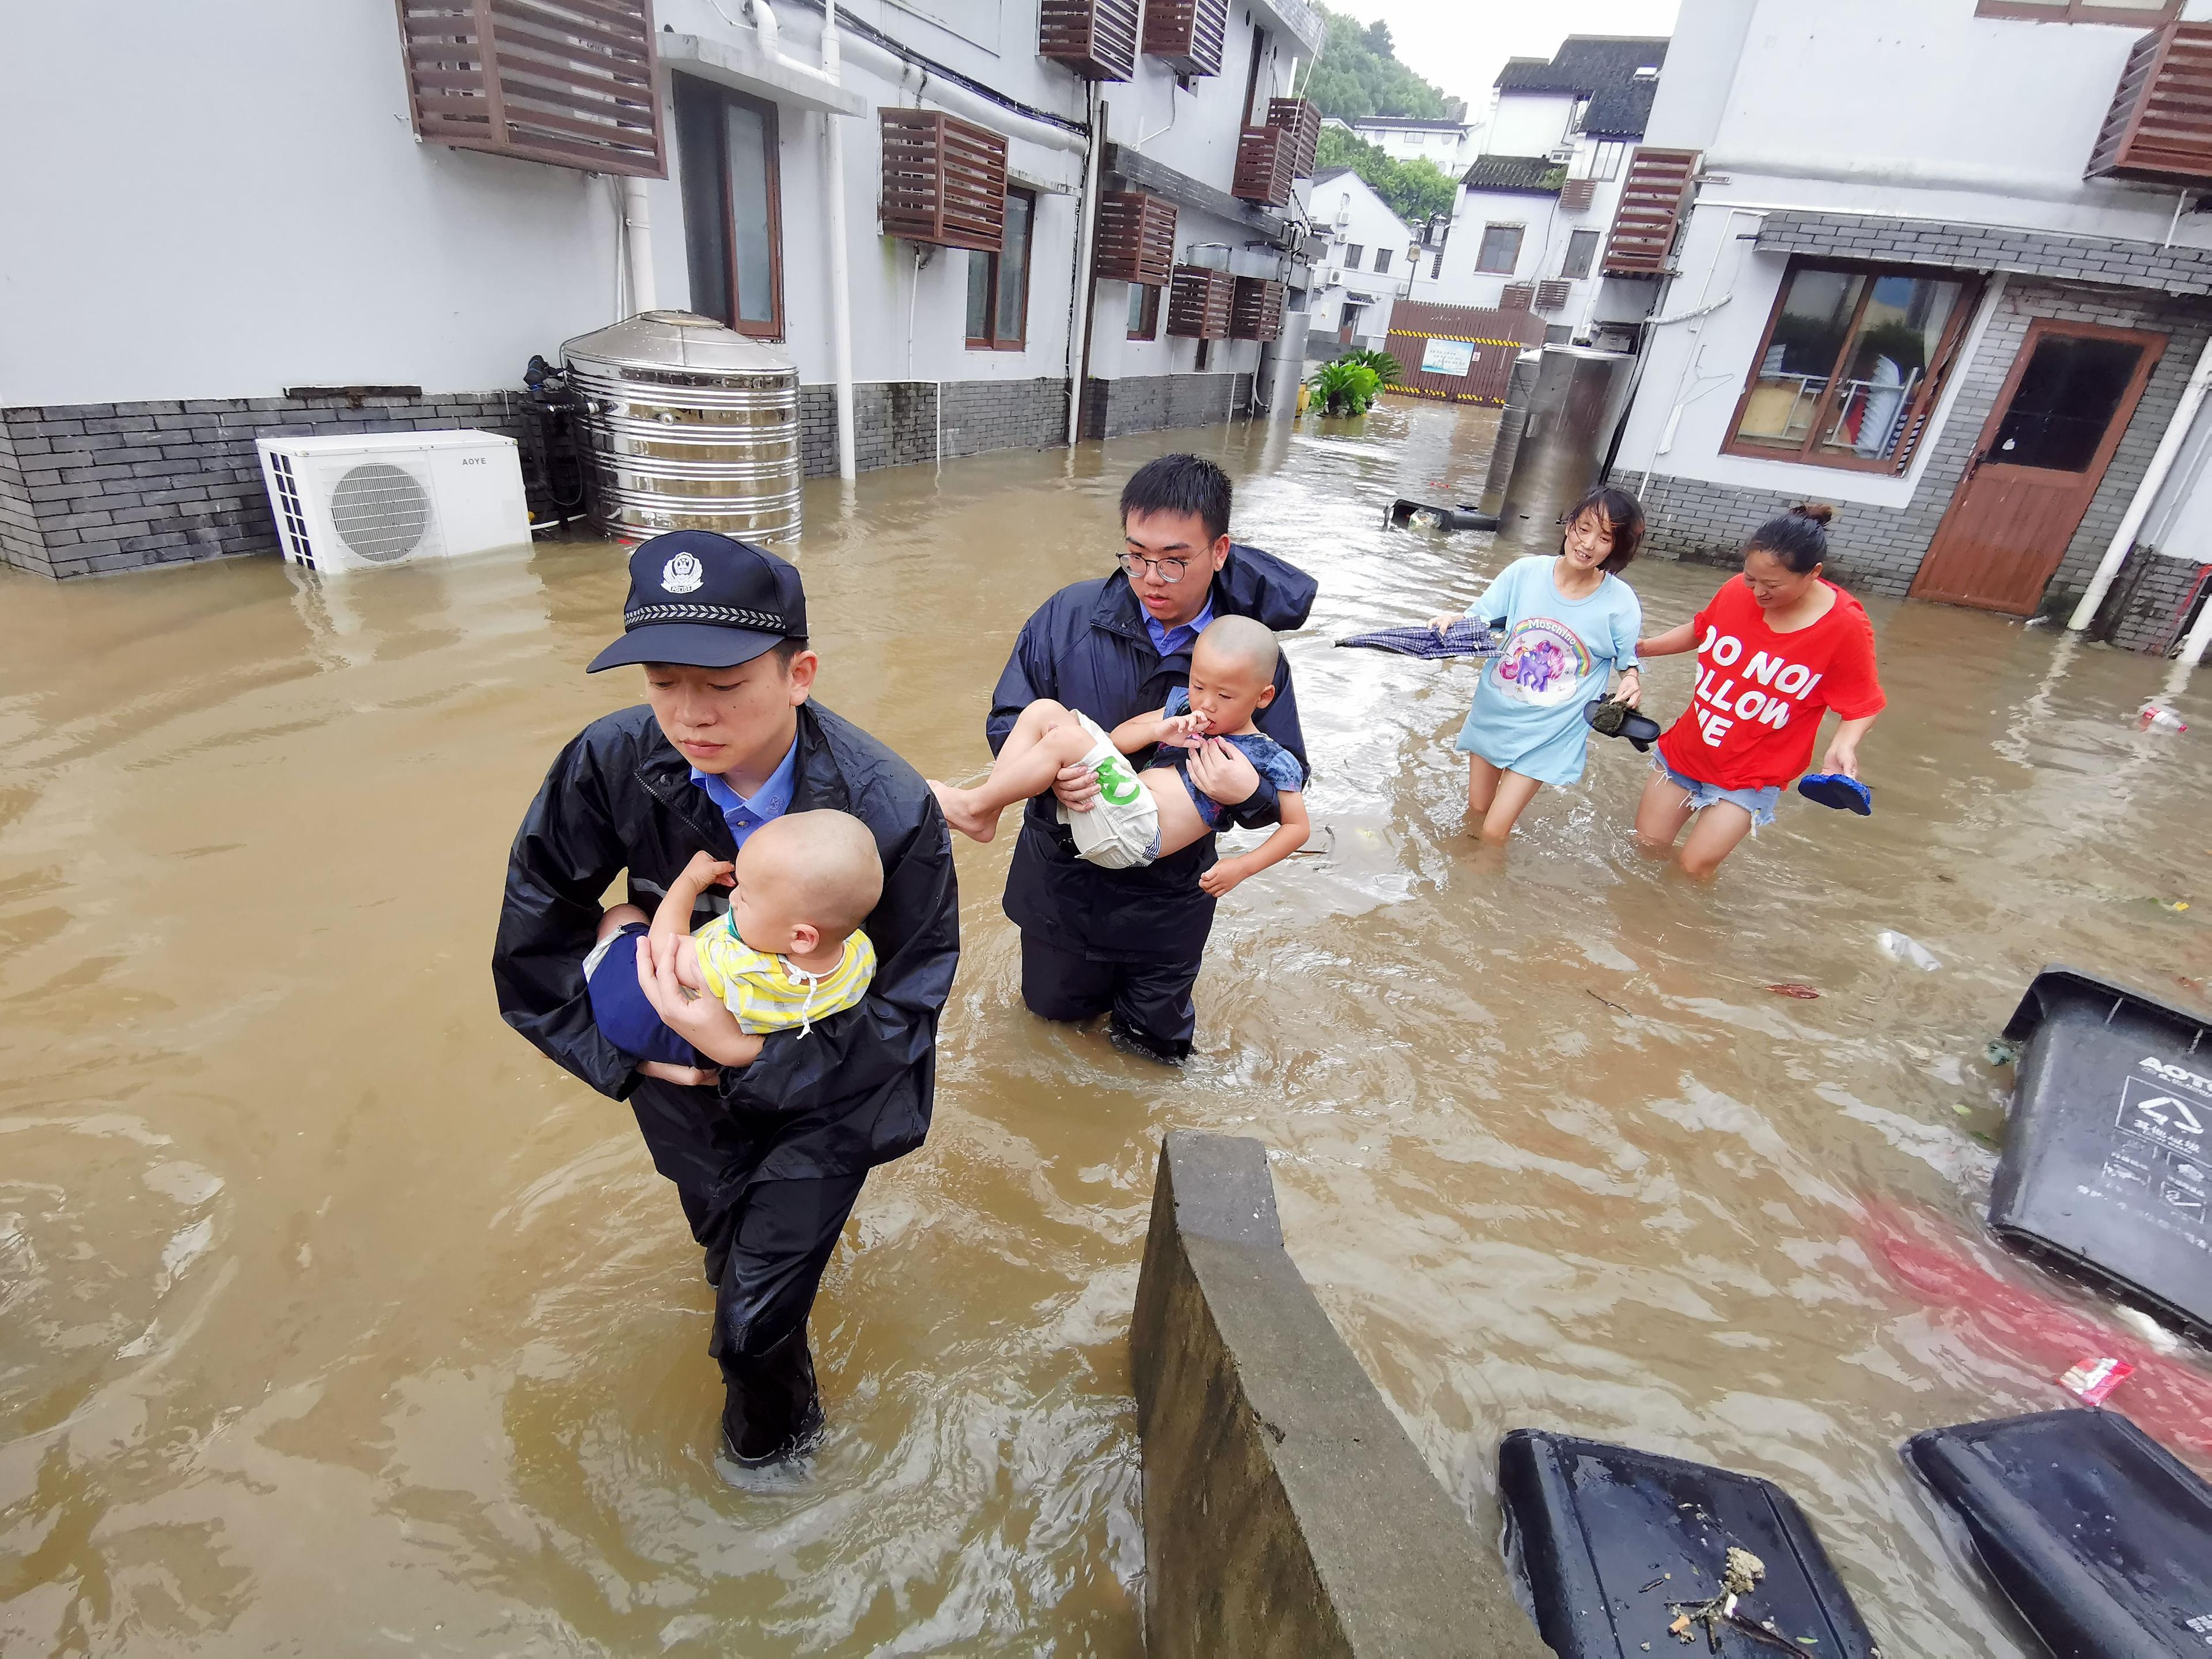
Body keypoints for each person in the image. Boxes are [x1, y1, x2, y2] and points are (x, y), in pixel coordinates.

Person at [492, 532, 959, 1469]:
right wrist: (633, 1053)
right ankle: (763, 1285)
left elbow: (905, 1006)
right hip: (679, 1087)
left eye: (724, 685)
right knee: (720, 1248)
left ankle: (773, 1465)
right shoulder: (610, 761)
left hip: (832, 1091)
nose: (690, 716)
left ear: (800, 674)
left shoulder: (890, 808)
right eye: (664, 683)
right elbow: (533, 938)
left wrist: (746, 1057)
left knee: (748, 1329)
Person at [988, 453, 1315, 1062]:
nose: (1151, 577)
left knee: (1152, 1056)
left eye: (1174, 560)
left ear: (1220, 551)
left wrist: (1249, 795)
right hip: (1064, 886)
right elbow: (1010, 720)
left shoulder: (1249, 657)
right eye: (1136, 556)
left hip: (1170, 901)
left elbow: (1287, 777)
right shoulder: (1066, 618)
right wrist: (1054, 781)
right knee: (1051, 1035)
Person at [937, 616, 1309, 894]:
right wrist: (1160, 730)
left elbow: (1298, 828)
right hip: (1121, 804)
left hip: (1140, 834)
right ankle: (985, 815)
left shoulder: (1272, 757)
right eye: (1198, 685)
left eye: (1225, 697)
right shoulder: (1181, 706)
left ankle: (971, 808)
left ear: (1263, 697)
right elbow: (1118, 738)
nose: (1206, 704)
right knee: (1043, 711)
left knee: (1066, 740)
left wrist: (1242, 867)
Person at [1633, 503, 1886, 878]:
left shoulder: (1845, 626)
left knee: (1693, 869)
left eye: (1772, 585)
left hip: (1753, 773)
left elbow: (1863, 703)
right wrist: (1643, 648)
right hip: (1688, 751)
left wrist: (1843, 745)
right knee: (1646, 850)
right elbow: (1702, 630)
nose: (1757, 593)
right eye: (1752, 579)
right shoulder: (1737, 590)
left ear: (1813, 574)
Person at [1426, 486, 1646, 841]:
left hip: (1551, 729)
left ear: (1615, 548)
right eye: (1584, 528)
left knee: (1495, 832)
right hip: (1495, 713)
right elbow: (1480, 619)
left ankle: (1484, 891)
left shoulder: (1620, 602)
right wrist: (1453, 618)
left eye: (1604, 538)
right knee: (1476, 814)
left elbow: (1628, 661)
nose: (1588, 544)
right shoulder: (1525, 572)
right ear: (1569, 525)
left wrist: (1632, 680)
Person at [582, 813, 882, 1070]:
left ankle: (592, 1000)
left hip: (648, 1021)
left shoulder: (736, 968)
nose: (733, 897)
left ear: (802, 938)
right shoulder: (860, 954)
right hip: (729, 1045)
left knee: (622, 916)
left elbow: (664, 950)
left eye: (746, 897)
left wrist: (689, 882)